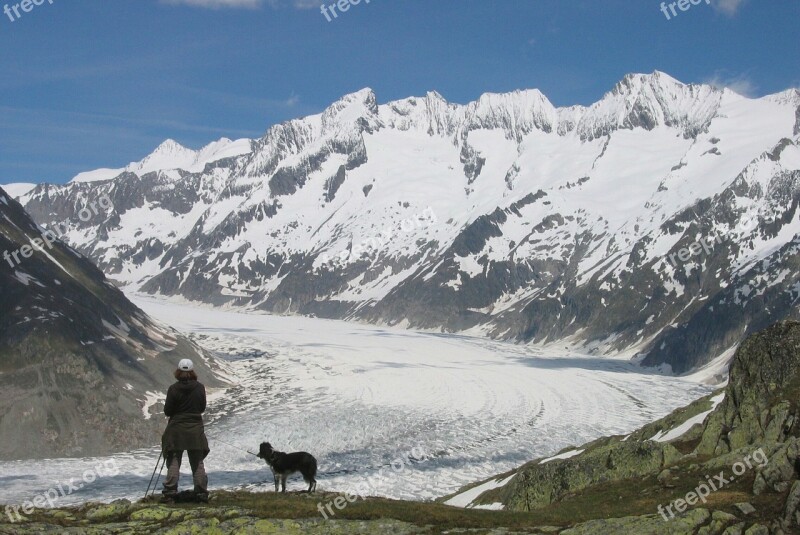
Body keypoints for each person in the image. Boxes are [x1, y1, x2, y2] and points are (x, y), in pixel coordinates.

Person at [161, 358, 210, 503]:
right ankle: (201, 493)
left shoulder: (173, 389)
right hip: (195, 429)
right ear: (192, 371)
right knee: (197, 462)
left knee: (174, 460)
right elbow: (201, 408)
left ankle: (170, 492)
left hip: (176, 430)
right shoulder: (200, 388)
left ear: (178, 371)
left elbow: (168, 411)